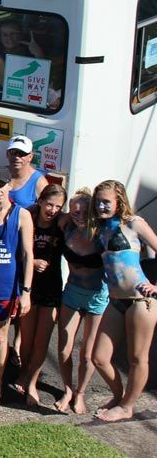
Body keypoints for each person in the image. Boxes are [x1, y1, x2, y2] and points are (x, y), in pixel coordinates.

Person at [90, 180, 157, 423]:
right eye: (98, 201)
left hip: (142, 300)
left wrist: (155, 286)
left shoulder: (134, 224)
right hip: (116, 300)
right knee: (99, 357)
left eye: (106, 201)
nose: (101, 206)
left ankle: (127, 406)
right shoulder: (101, 228)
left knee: (137, 358)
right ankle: (119, 396)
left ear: (119, 202)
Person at [0, 165, 34, 410]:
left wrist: (26, 293)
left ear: (10, 185)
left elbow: (27, 255)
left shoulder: (21, 215)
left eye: (2, 185)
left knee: (1, 337)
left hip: (5, 288)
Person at [55, 188, 107, 414]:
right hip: (73, 291)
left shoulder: (103, 234)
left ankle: (81, 393)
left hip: (98, 295)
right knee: (64, 349)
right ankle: (67, 389)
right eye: (74, 212)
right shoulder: (66, 226)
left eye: (83, 212)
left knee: (87, 353)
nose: (78, 216)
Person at [15, 183, 67, 408]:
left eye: (58, 206)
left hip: (52, 287)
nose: (52, 210)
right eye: (49, 204)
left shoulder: (62, 225)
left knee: (41, 341)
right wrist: (32, 261)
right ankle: (24, 373)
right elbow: (16, 250)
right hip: (29, 287)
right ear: (41, 201)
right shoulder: (28, 219)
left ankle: (33, 382)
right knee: (26, 339)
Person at [5, 135, 48, 209]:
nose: (17, 157)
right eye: (13, 152)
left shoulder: (39, 182)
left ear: (30, 156)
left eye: (22, 153)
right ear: (7, 154)